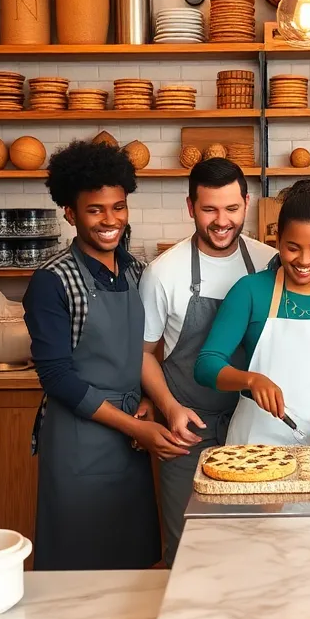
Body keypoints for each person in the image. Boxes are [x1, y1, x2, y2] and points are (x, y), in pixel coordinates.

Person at [23, 140, 186, 571]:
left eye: (119, 207)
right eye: (96, 210)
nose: (110, 220)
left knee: (132, 564)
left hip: (131, 439)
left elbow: (140, 353)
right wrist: (134, 425)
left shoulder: (135, 272)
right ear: (70, 213)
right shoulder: (52, 281)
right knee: (79, 567)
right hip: (79, 442)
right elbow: (58, 379)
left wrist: (148, 403)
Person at [139, 158, 277, 566]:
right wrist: (170, 408)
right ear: (190, 207)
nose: (222, 221)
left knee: (257, 550)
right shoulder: (163, 273)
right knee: (190, 553)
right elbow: (143, 356)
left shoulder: (270, 262)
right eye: (209, 209)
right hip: (189, 432)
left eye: (232, 209)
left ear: (247, 204)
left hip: (255, 429)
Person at [196, 179, 310, 445]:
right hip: (255, 446)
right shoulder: (250, 291)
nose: (304, 260)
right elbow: (206, 364)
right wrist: (251, 380)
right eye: (292, 248)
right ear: (277, 241)